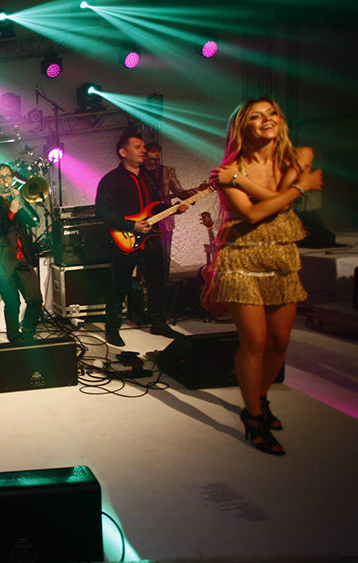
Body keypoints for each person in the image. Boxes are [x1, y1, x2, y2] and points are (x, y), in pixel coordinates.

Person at [209, 97, 323, 456]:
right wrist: (300, 188)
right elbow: (255, 214)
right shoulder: (226, 172)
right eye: (256, 116)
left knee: (279, 342)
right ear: (242, 127)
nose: (267, 120)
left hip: (281, 254)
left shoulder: (299, 156)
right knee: (254, 342)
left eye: (271, 113)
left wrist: (245, 182)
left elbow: (280, 203)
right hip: (241, 257)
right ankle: (254, 417)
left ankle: (259, 398)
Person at [95, 133, 187, 347]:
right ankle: (112, 328)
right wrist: (131, 226)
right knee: (119, 285)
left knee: (157, 280)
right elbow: (102, 211)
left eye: (144, 147)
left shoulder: (149, 178)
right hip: (125, 238)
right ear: (123, 152)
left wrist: (173, 209)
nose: (144, 150)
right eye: (138, 147)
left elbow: (154, 206)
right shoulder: (111, 179)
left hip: (150, 238)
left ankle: (158, 323)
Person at [0, 164, 43, 342]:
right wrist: (11, 212)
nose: (5, 180)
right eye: (0, 177)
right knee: (13, 303)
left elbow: (34, 221)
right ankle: (14, 339)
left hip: (23, 258)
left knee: (36, 299)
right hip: (2, 261)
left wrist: (22, 203)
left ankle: (28, 333)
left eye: (8, 176)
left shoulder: (18, 199)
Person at [142, 142, 187, 274]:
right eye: (153, 151)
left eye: (158, 152)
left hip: (165, 216)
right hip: (144, 217)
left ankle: (164, 279)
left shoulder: (167, 171)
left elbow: (178, 191)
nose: (156, 154)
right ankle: (142, 281)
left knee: (164, 252)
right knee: (144, 254)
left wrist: (190, 194)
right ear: (145, 155)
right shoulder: (139, 171)